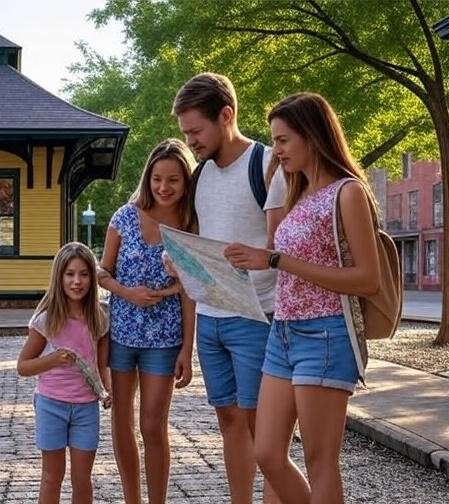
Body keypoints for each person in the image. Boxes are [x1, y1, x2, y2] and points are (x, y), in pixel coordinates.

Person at [224, 92, 380, 503]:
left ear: (312, 136)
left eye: (283, 140)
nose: (275, 149)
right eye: (274, 141)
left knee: (320, 460)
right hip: (284, 333)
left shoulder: (348, 193)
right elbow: (279, 255)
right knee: (268, 453)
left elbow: (368, 279)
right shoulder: (298, 192)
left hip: (326, 334)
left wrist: (277, 259)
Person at [172, 72, 287, 504]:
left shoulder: (265, 164)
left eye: (196, 131)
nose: (191, 142)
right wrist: (180, 258)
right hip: (211, 319)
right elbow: (203, 240)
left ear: (226, 115)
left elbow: (279, 246)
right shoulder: (199, 177)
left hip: (257, 317)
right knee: (228, 421)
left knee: (265, 432)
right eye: (185, 133)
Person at [98, 138, 196, 504]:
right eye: (157, 178)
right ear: (148, 177)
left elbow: (191, 289)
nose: (163, 187)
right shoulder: (124, 217)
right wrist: (128, 293)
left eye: (173, 180)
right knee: (122, 421)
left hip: (165, 338)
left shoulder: (189, 224)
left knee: (152, 425)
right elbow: (101, 272)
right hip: (122, 335)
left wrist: (188, 347)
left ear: (185, 182)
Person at [17, 242, 112, 504]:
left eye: (83, 274)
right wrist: (53, 359)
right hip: (51, 405)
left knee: (82, 479)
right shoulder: (46, 320)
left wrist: (106, 390)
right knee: (51, 476)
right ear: (59, 277)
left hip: (86, 409)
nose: (77, 281)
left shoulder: (99, 318)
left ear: (92, 279)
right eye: (70, 274)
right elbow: (23, 366)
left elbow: (101, 366)